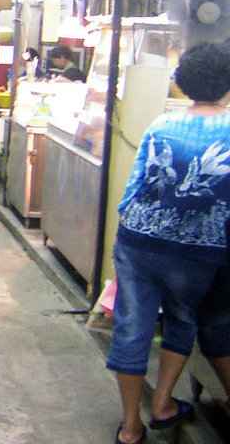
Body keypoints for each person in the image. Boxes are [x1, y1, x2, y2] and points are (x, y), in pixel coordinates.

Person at [107, 43, 230, 443]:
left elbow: (134, 187)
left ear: (181, 82)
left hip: (139, 241)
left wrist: (133, 223)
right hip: (197, 249)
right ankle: (162, 403)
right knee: (182, 317)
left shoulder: (162, 124)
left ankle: (130, 427)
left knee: (132, 324)